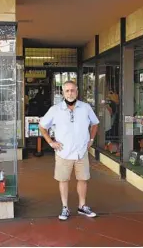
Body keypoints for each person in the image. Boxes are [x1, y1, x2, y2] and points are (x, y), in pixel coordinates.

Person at [39, 80, 99, 221]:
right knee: (63, 180)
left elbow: (95, 123)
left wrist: (91, 140)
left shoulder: (85, 107)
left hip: (81, 152)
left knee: (83, 179)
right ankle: (65, 207)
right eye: (67, 91)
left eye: (72, 90)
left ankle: (82, 206)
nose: (70, 93)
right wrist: (50, 142)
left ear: (77, 91)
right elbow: (42, 126)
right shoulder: (55, 109)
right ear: (63, 93)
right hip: (63, 152)